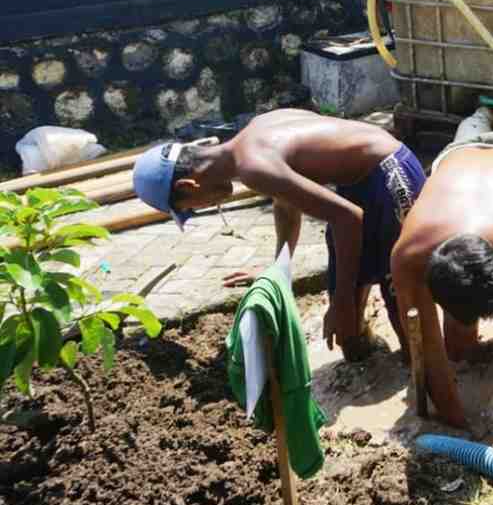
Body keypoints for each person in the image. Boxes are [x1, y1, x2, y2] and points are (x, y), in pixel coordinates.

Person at [131, 109, 426, 361]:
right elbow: (286, 207)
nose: (205, 207)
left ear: (188, 186)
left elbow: (347, 219)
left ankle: (427, 368)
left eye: (191, 208)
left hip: (391, 172)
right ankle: (368, 335)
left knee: (408, 322)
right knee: (349, 339)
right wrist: (278, 271)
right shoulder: (249, 142)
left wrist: (341, 302)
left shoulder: (252, 167)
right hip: (359, 184)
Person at [389, 105, 493, 429]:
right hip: (456, 157)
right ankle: (482, 112)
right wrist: (455, 421)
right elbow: (427, 345)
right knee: (456, 349)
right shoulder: (408, 257)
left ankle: (488, 111)